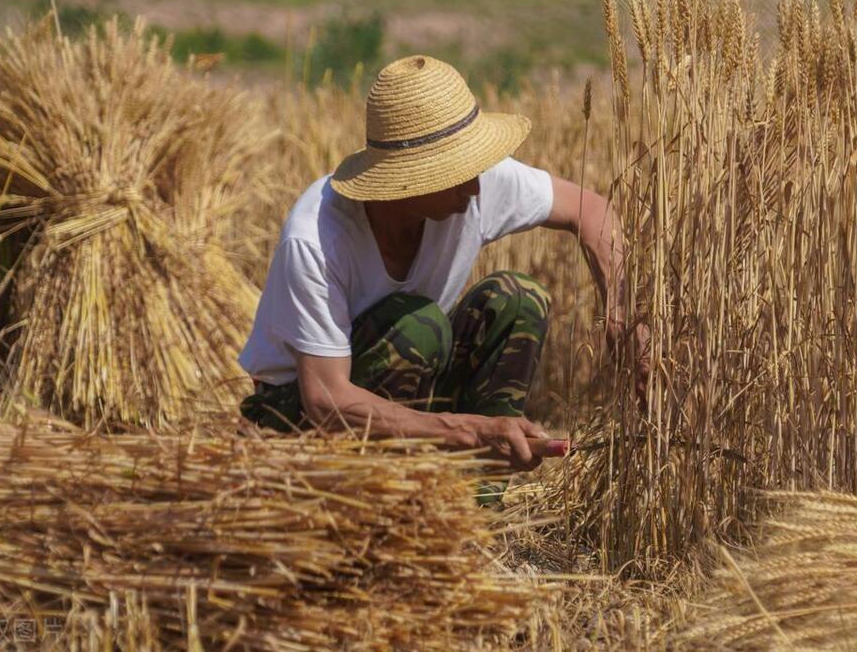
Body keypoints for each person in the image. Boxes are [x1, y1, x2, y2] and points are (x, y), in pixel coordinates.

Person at [238, 54, 647, 474]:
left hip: (407, 400)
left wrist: (620, 309)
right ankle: (388, 494)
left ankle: (477, 503)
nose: (474, 186)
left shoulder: (476, 185)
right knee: (419, 324)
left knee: (517, 298)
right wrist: (465, 431)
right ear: (405, 181)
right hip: (295, 421)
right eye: (454, 172)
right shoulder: (317, 238)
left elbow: (592, 209)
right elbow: (325, 400)